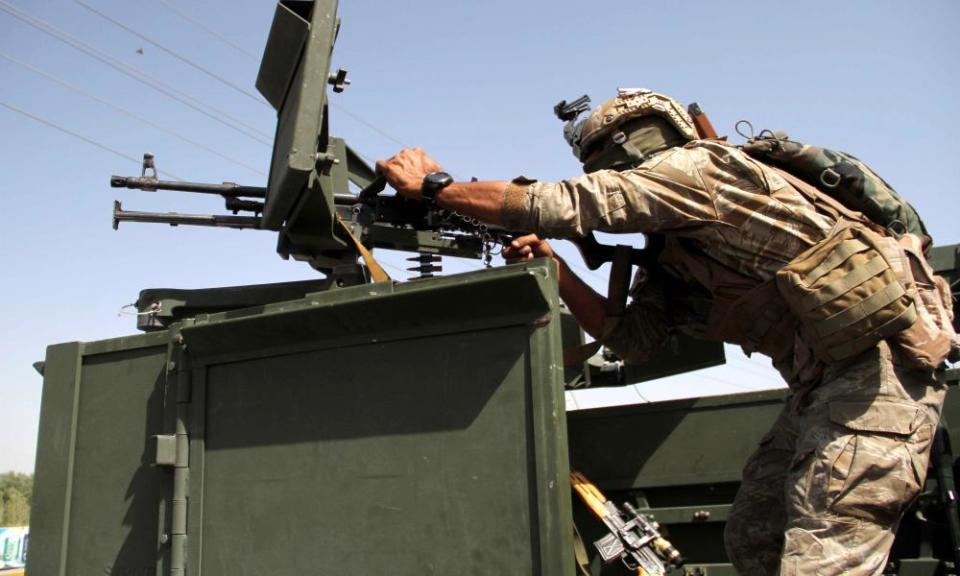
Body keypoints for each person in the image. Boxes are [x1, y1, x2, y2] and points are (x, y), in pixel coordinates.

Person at [376, 88, 948, 575]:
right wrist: (558, 269)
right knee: (754, 534)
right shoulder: (680, 252)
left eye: (613, 152)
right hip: (822, 388)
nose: (612, 166)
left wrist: (435, 187)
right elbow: (635, 339)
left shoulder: (702, 169)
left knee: (824, 552)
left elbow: (571, 203)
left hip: (878, 376)